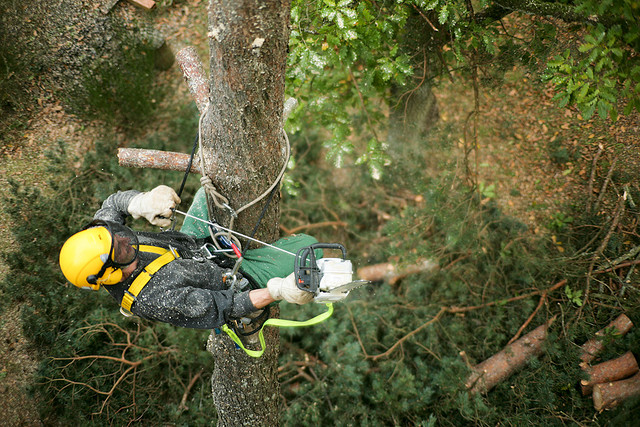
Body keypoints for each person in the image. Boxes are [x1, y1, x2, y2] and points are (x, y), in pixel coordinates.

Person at [59, 185, 317, 329]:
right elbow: (225, 307)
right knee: (309, 246)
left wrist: (141, 201)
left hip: (193, 243)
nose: (126, 239)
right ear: (111, 272)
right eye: (122, 249)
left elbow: (112, 204)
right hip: (233, 280)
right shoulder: (155, 299)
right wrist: (278, 291)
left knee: (212, 190)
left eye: (119, 234)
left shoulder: (102, 238)